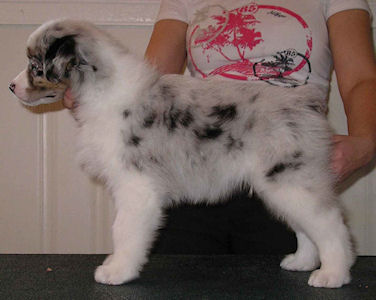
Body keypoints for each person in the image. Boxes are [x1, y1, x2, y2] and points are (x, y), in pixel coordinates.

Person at [64, 0, 376, 254]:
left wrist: (366, 141)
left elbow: (362, 79)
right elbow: (147, 85)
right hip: (195, 168)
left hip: (280, 155)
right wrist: (96, 93)